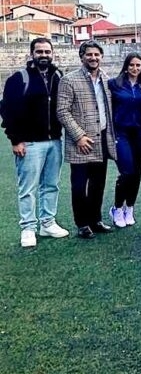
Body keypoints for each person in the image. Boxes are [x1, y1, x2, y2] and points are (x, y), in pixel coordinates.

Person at [2, 37, 69, 247]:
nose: (44, 55)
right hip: (29, 143)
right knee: (28, 188)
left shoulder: (58, 76)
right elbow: (7, 110)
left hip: (54, 141)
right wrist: (16, 140)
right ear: (32, 54)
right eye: (39, 52)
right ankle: (28, 228)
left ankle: (47, 223)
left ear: (52, 54)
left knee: (51, 185)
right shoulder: (19, 78)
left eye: (47, 52)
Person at [56, 40, 117, 239]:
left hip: (102, 140)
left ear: (101, 57)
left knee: (98, 184)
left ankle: (95, 220)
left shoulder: (106, 79)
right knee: (79, 186)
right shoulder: (69, 80)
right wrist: (79, 136)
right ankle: (82, 224)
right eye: (89, 54)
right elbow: (62, 111)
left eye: (96, 54)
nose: (93, 58)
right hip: (81, 144)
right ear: (81, 57)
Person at [107, 53, 141, 227]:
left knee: (137, 173)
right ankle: (116, 208)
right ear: (126, 66)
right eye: (132, 65)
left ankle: (129, 208)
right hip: (120, 133)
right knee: (127, 172)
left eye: (138, 65)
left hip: (138, 133)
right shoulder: (114, 84)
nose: (135, 68)